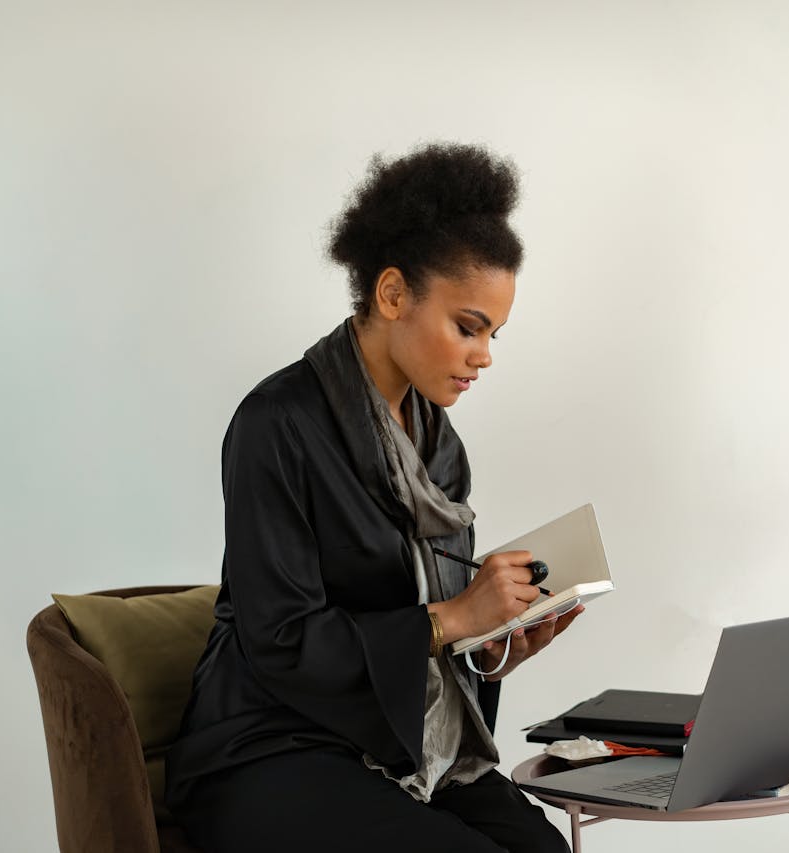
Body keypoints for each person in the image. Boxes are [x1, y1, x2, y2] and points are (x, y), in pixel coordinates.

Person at [165, 143, 582, 853]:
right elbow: (282, 641)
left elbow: (435, 634)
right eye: (468, 325)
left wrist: (491, 647)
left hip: (401, 745)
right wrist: (454, 616)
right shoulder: (277, 424)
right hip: (270, 750)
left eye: (494, 333)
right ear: (392, 295)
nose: (485, 354)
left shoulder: (440, 449)